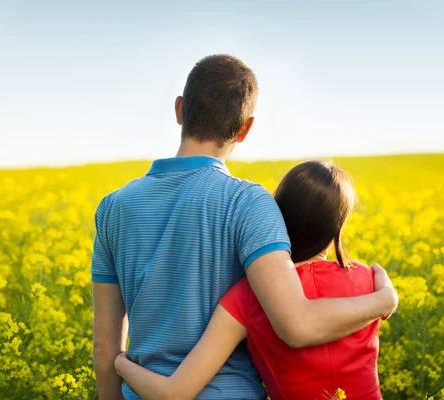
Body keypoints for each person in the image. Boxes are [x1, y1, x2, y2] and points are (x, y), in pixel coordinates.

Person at [91, 54, 398, 400]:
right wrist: (383, 300)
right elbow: (296, 324)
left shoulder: (112, 208)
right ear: (245, 128)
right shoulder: (248, 203)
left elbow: (105, 350)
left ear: (179, 110)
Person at [113, 161, 384, 400]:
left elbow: (174, 393)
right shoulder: (371, 280)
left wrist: (122, 363)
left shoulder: (247, 296)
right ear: (340, 224)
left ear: (278, 212)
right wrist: (386, 297)